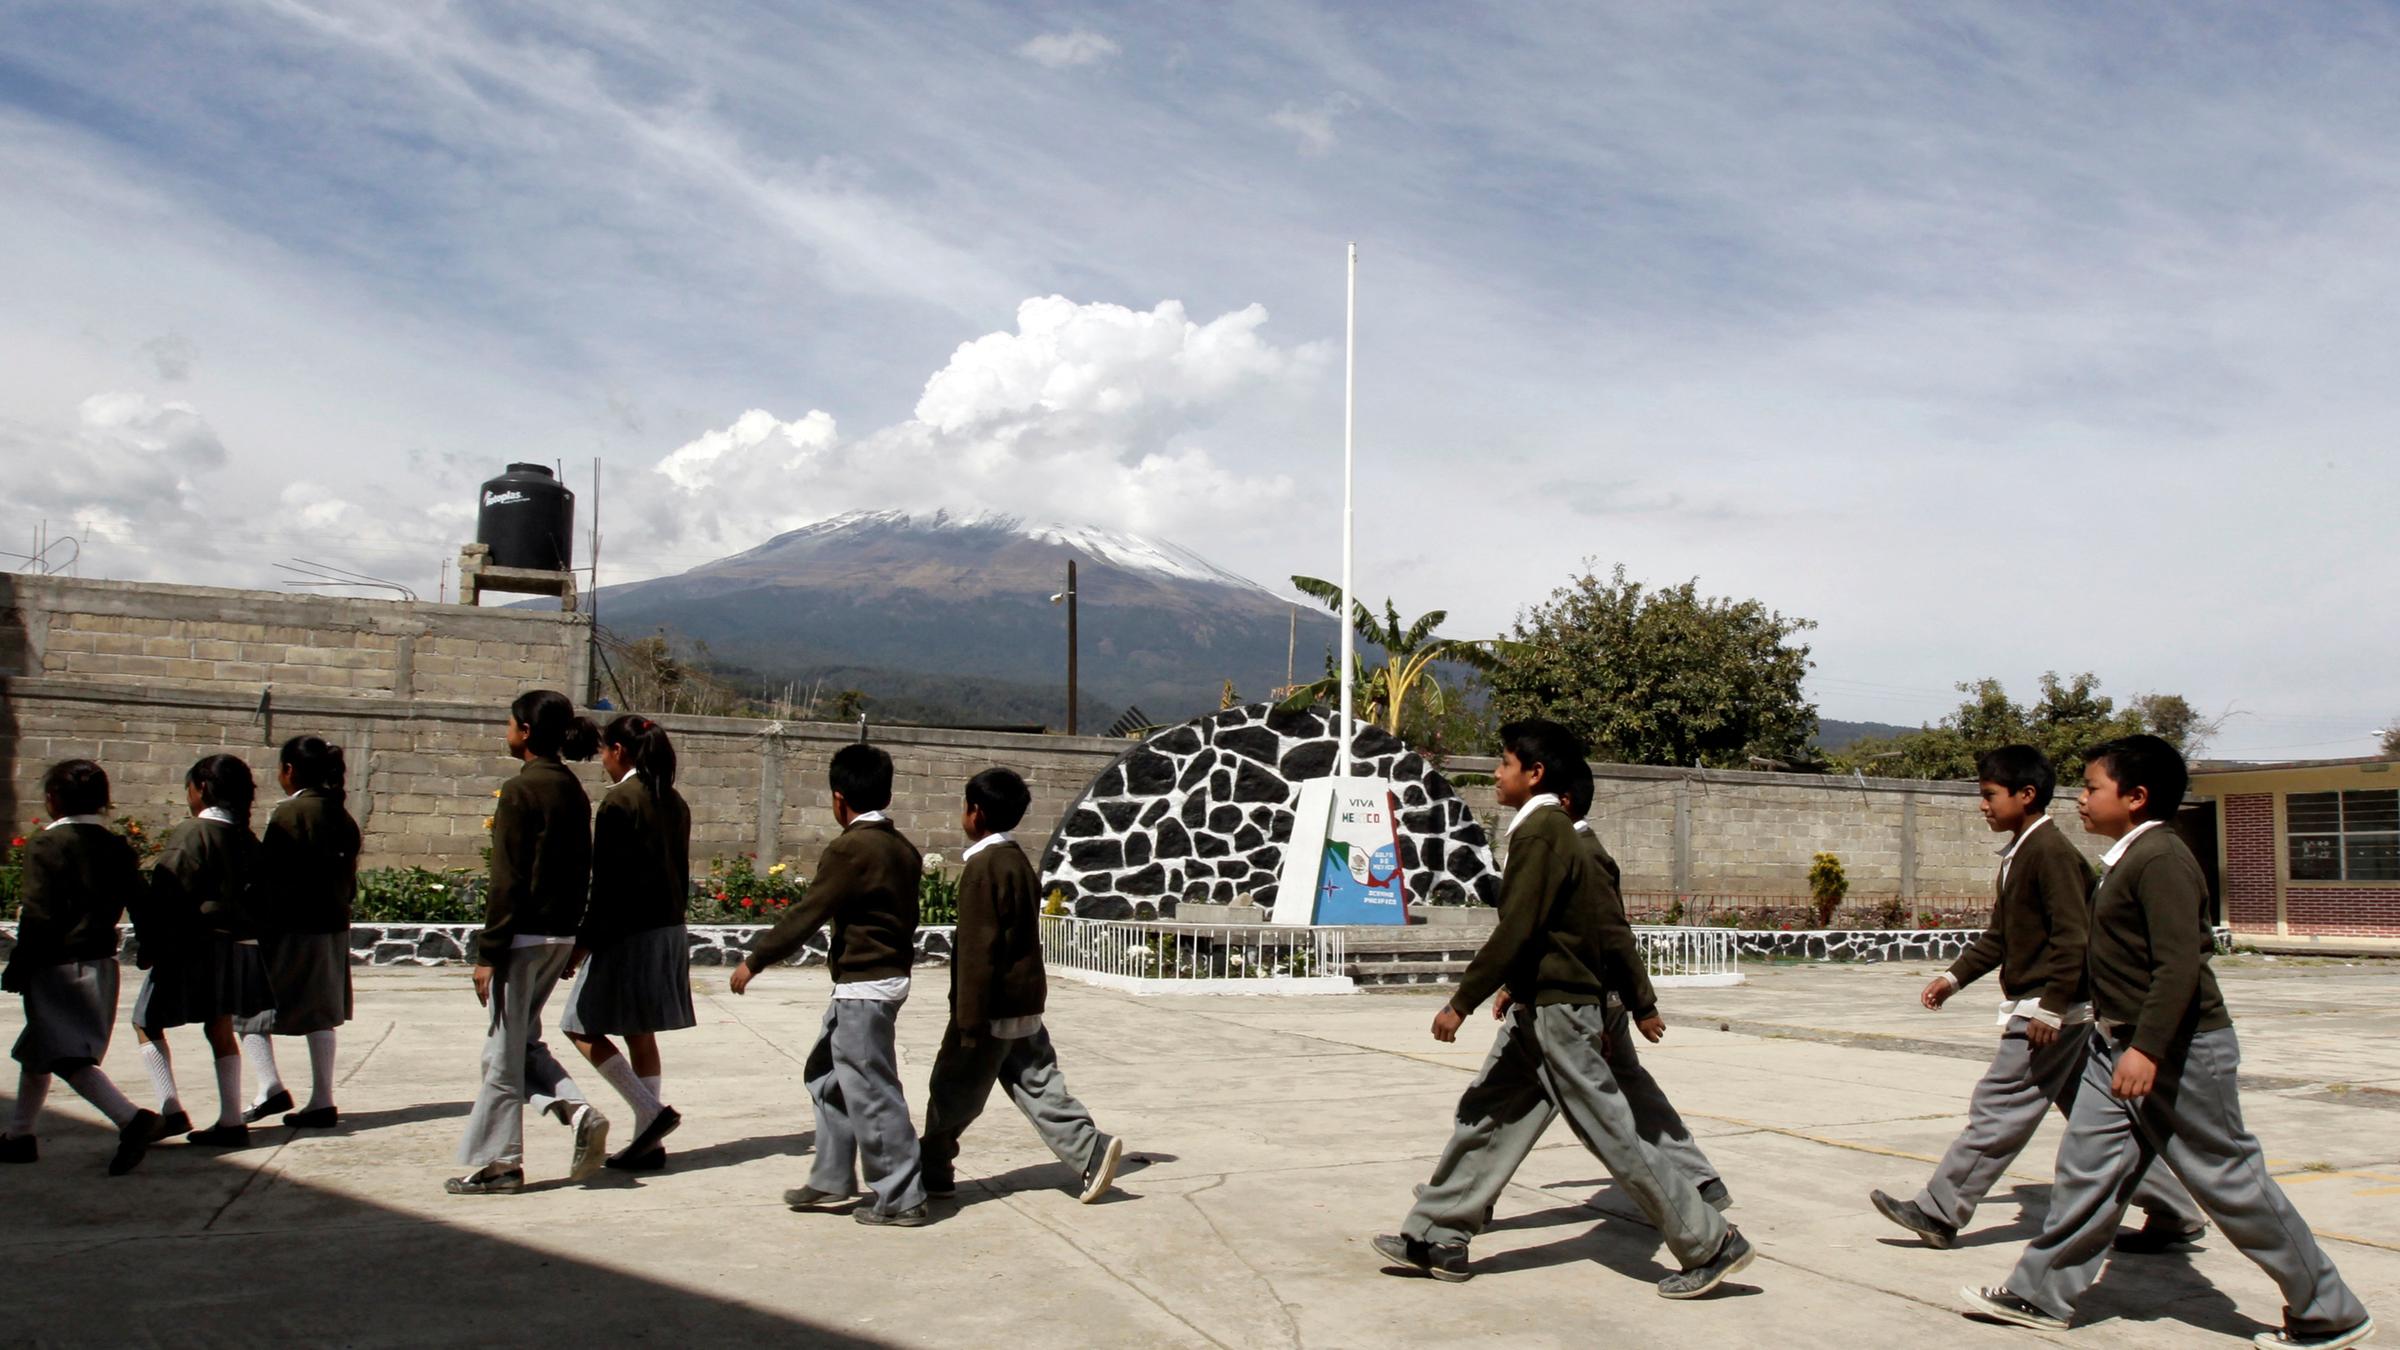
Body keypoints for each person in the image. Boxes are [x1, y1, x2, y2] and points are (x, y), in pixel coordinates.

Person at [1961, 736, 2375, 1350]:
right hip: (2113, 1046)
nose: (2081, 798)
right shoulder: (2125, 860)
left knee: (2229, 1180)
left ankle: (2329, 1310)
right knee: (2086, 1171)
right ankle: (2040, 1292)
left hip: (2180, 1050)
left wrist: (2148, 1048)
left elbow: (2179, 965)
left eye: (2093, 787)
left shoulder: (2162, 860)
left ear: (2135, 797)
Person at [1373, 719, 1753, 1298]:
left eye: (1503, 764)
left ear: (1535, 773)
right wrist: (1516, 988)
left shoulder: (1543, 834)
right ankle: (1437, 1234)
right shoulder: (1543, 831)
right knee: (1486, 1113)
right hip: (1539, 1008)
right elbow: (1548, 929)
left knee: (1614, 1131)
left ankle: (1710, 1241)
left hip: (1563, 1014)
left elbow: (1522, 927)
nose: (1496, 774)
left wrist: (1463, 1000)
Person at [1874, 743, 2201, 1250]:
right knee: (2105, 1121)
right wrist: (1953, 979)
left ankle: (1939, 1211)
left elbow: (2075, 938)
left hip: (2053, 1011)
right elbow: (2001, 937)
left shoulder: (2051, 854)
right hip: (2051, 1006)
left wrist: (2052, 1006)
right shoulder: (2019, 853)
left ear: (2026, 795)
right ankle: (2174, 1211)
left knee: (2000, 1106)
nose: (1982, 806)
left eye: (1989, 796)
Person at [730, 742, 930, 1227]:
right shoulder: (901, 846)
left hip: (865, 985)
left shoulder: (850, 848)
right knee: (827, 1078)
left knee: (871, 1089)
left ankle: (902, 1195)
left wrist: (755, 960)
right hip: (874, 982)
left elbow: (808, 912)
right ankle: (832, 1176)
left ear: (839, 799)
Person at [919, 768, 1123, 1204]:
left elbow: (977, 951)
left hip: (988, 1008)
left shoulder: (982, 867)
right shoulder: (1017, 861)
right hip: (1023, 1002)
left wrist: (968, 1020)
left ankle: (932, 1166)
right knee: (1037, 1082)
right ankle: (1091, 1149)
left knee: (952, 1088)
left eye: (964, 807)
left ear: (975, 813)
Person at [449, 690, 610, 1195]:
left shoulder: (521, 791)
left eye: (509, 723)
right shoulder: (572, 791)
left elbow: (508, 879)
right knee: (519, 1044)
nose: (507, 731)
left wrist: (488, 952)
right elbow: (585, 868)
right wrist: (576, 936)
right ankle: (575, 1109)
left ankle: (499, 1163)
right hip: (559, 935)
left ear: (524, 730)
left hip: (520, 939)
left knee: (501, 1056)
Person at [1555, 758, 1727, 1209]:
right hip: (1579, 997)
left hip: (1583, 1000)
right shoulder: (1561, 848)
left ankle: (1686, 1200)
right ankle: (1697, 1181)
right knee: (1618, 1087)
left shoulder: (1584, 855)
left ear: (1565, 802)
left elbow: (1614, 935)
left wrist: (1640, 1004)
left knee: (1580, 1104)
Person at [2, 760, 160, 1173]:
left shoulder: (46, 845)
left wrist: (20, 965)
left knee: (66, 1055)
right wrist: (150, 946)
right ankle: (20, 1134)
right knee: (40, 1048)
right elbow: (141, 901)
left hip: (58, 965)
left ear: (52, 799)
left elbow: (38, 915)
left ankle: (130, 1118)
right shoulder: (116, 846)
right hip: (101, 964)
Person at [561, 714, 693, 1172]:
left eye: (603, 751)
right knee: (640, 1031)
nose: (601, 760)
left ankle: (649, 1112)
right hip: (668, 929)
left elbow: (608, 886)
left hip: (629, 932)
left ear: (618, 750)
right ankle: (647, 1144)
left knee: (578, 1025)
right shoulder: (673, 801)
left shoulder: (620, 802)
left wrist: (582, 944)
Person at [129, 754, 273, 1148]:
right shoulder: (247, 838)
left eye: (189, 786)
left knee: (146, 1021)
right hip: (239, 948)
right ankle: (231, 1121)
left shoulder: (193, 833)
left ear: (202, 788)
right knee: (220, 1026)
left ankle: (171, 1109)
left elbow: (169, 890)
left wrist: (152, 945)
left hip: (194, 945)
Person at [238, 736, 360, 1130]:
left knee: (250, 1008)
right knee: (321, 1012)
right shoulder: (341, 815)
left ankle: (268, 1085)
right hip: (332, 925)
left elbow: (269, 877)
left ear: (289, 770)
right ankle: (322, 1099)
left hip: (291, 927)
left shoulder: (290, 815)